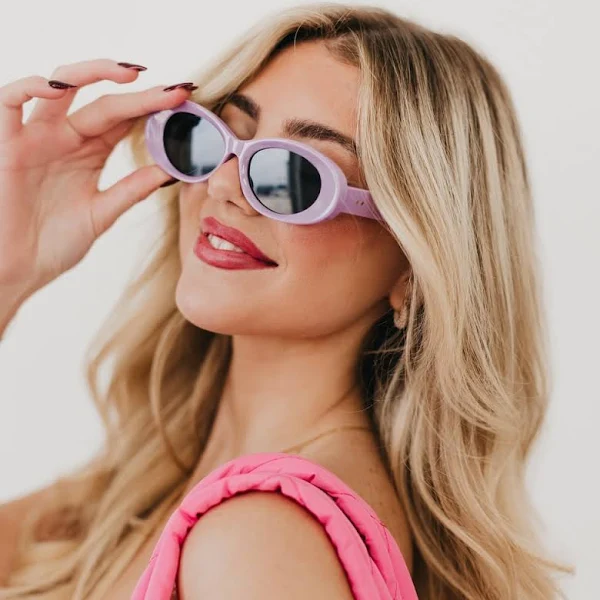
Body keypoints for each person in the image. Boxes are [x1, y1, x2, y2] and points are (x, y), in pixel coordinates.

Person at [0, 3, 574, 599]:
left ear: (413, 265)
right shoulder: (125, 498)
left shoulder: (258, 542)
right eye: (217, 138)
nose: (224, 185)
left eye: (295, 174)